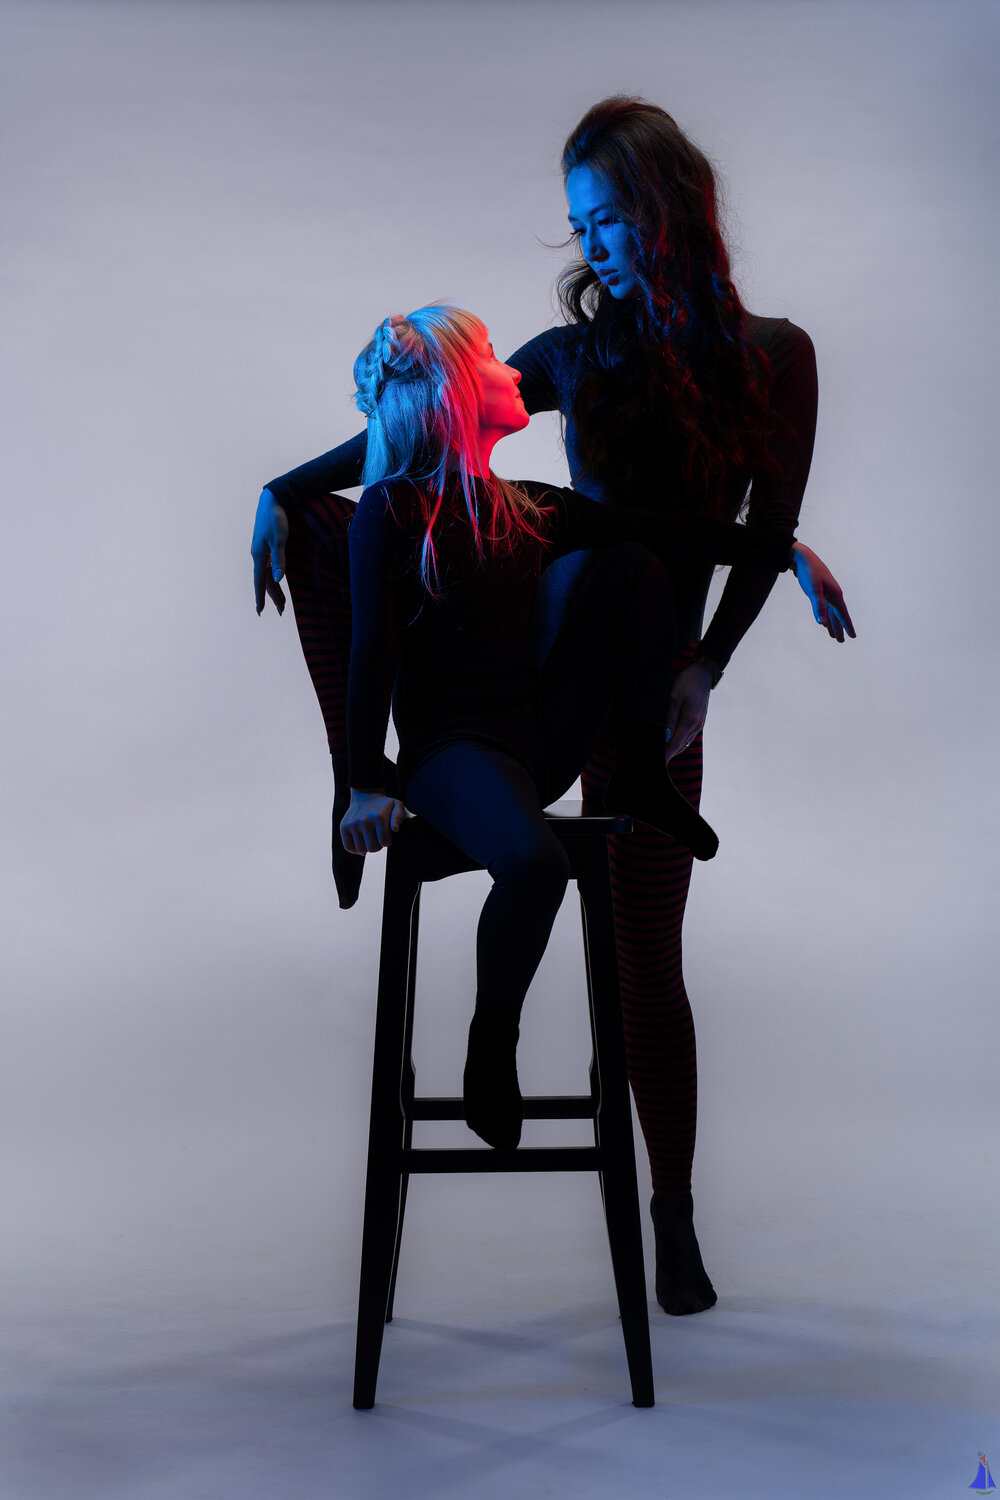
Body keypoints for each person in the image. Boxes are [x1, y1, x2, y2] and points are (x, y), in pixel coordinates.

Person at [250, 98, 854, 1314]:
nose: (593, 245)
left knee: (645, 962)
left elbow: (756, 520)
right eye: (580, 225)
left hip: (644, 695)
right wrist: (285, 485)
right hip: (518, 683)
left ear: (667, 208)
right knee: (412, 537)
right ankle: (365, 782)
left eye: (609, 218)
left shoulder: (774, 356)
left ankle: (669, 1214)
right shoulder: (574, 356)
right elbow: (423, 427)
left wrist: (709, 659)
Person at [338, 301, 832, 1160]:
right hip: (453, 754)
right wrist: (363, 780)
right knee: (537, 864)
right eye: (490, 356)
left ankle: (641, 768)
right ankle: (494, 1037)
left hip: (538, 739)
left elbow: (670, 532)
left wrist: (782, 552)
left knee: (634, 561)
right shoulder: (391, 510)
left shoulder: (533, 507)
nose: (512, 368)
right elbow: (370, 650)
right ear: (454, 392)